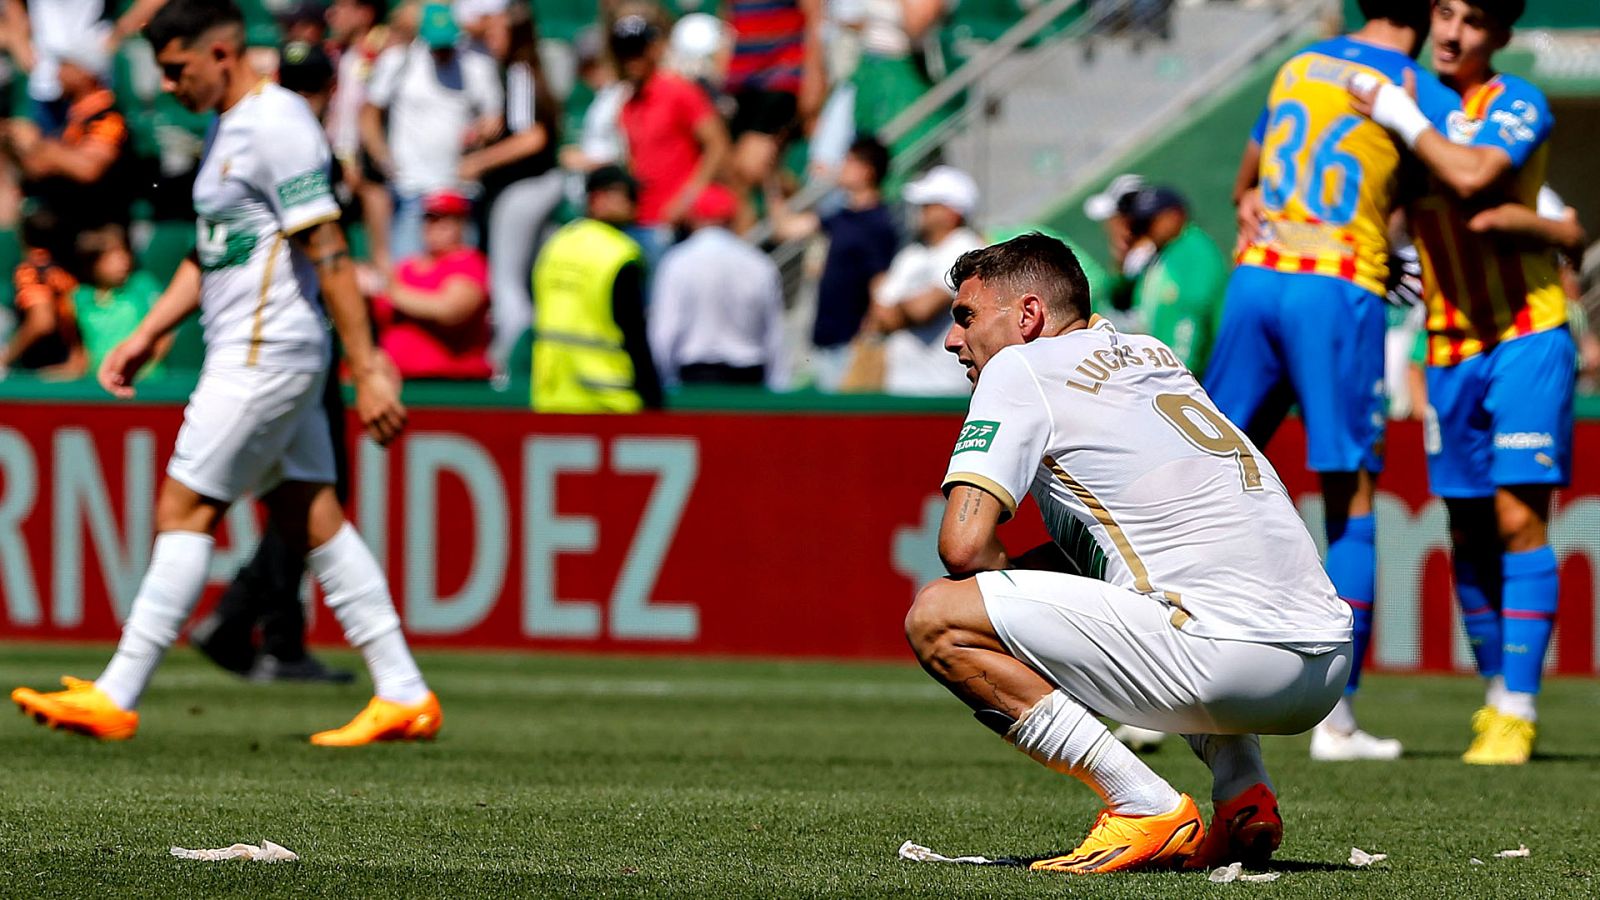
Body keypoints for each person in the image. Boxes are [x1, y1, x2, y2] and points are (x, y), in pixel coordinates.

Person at [11, 0, 438, 746]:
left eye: (177, 71)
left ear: (221, 53)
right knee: (312, 511)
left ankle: (118, 692)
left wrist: (368, 367)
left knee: (183, 508)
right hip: (255, 343)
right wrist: (149, 331)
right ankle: (403, 690)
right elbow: (215, 251)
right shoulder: (227, 125)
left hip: (263, 350)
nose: (169, 87)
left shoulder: (276, 126)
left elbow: (329, 250)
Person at [905, 233, 1351, 874]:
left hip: (1225, 658)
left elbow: (963, 547)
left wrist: (1008, 608)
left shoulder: (1020, 366)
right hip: (1325, 665)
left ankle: (1144, 805)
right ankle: (1241, 794)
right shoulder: (1148, 352)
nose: (953, 340)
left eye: (966, 316)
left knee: (938, 616)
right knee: (1161, 591)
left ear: (1028, 317)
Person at [1205, 0, 1457, 761]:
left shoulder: (1300, 64)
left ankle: (1159, 690)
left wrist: (1254, 203)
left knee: (1202, 476)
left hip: (1257, 278)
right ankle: (1336, 720)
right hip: (1337, 283)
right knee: (1350, 492)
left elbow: (1243, 185)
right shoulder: (1417, 82)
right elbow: (1462, 175)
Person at [1352, 0, 1586, 765]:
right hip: (1447, 349)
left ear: (1502, 36)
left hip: (1526, 337)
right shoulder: (1414, 106)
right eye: (1445, 13)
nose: (1454, 33)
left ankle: (1518, 707)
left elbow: (1476, 173)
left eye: (1475, 20)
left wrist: (1390, 108)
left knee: (1520, 519)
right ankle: (1495, 695)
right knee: (1466, 528)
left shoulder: (1513, 104)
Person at [462, 3, 564, 373]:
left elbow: (532, 137)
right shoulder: (523, 72)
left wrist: (479, 161)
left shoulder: (519, 70)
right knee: (531, 279)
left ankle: (510, 364)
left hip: (526, 187)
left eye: (496, 31)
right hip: (540, 185)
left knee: (507, 280)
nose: (490, 38)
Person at [362, 1, 502, 261]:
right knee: (408, 271)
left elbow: (494, 118)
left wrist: (482, 132)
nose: (441, 51)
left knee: (459, 278)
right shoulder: (399, 62)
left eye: (446, 44)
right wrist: (383, 157)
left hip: (459, 192)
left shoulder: (478, 65)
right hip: (412, 190)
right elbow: (369, 113)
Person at [767, 136, 898, 393]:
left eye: (849, 161)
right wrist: (771, 177)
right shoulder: (842, 217)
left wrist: (869, 338)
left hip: (850, 344)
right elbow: (786, 229)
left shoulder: (878, 223)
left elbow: (880, 283)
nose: (842, 167)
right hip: (826, 340)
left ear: (867, 170)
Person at [530, 164, 661, 412]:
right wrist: (653, 399)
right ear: (597, 198)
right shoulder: (620, 253)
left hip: (552, 397)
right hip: (609, 400)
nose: (635, 205)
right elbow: (634, 333)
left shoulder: (556, 245)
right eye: (628, 196)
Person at [611, 13, 729, 264]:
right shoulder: (627, 104)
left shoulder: (678, 91)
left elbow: (717, 144)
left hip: (679, 224)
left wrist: (688, 198)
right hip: (642, 221)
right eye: (624, 52)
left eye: (637, 51)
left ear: (652, 50)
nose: (631, 60)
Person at [649, 183, 785, 388]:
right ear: (731, 218)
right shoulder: (758, 262)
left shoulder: (677, 261)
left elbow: (664, 332)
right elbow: (774, 333)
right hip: (749, 379)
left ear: (694, 217)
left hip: (695, 379)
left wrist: (660, 384)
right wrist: (778, 385)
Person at [870, 164, 982, 396]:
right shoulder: (911, 253)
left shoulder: (968, 249)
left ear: (952, 212)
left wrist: (896, 309)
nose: (921, 211)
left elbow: (923, 310)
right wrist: (904, 310)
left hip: (945, 391)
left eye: (929, 205)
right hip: (900, 387)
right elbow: (877, 316)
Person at [5, 43, 134, 238]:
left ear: (85, 72)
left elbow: (88, 168)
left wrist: (37, 144)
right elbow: (39, 166)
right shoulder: (72, 118)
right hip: (70, 226)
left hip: (99, 232)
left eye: (65, 66)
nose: (58, 74)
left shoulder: (108, 117)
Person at [375, 189, 493, 380]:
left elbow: (451, 310)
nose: (435, 225)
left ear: (461, 223)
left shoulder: (469, 262)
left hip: (450, 385)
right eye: (430, 218)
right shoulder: (406, 267)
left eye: (445, 218)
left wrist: (389, 290)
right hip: (398, 381)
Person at [1116, 186, 1228, 374]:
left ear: (1175, 215)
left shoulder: (1190, 251)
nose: (1145, 231)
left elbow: (1191, 317)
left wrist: (1176, 374)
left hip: (1201, 378)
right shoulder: (1165, 253)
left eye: (1150, 222)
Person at [71, 225, 169, 379]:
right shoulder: (79, 297)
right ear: (94, 264)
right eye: (112, 258)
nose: (124, 261)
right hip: (96, 385)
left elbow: (164, 335)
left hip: (144, 384)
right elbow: (79, 351)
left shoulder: (143, 285)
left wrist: (139, 371)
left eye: (124, 254)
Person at [4, 209, 82, 376]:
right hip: (71, 366)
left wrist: (5, 358)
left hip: (44, 370)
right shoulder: (66, 273)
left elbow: (42, 321)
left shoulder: (29, 270)